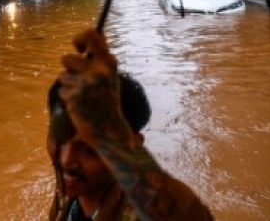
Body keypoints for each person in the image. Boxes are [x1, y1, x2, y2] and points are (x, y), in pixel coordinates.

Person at [47, 29, 213, 221]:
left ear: (132, 144)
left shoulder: (135, 211)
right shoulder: (71, 190)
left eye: (88, 149)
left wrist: (112, 134)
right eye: (59, 136)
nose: (65, 160)